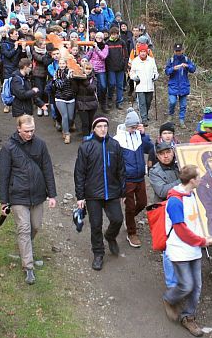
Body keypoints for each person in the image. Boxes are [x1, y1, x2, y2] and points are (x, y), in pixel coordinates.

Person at [0, 115, 57, 284]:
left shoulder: (41, 145)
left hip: (38, 195)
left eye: (32, 131)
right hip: (17, 196)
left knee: (35, 227)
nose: (30, 134)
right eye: (26, 131)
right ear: (19, 129)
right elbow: (4, 175)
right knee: (23, 228)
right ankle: (28, 267)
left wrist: (52, 195)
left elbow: (48, 170)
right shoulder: (8, 148)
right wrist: (4, 201)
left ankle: (26, 248)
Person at [74, 116, 126, 271]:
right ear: (94, 128)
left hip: (112, 192)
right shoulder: (86, 146)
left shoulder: (115, 145)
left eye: (105, 126)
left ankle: (110, 236)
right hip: (92, 194)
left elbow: (121, 170)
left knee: (117, 219)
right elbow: (79, 173)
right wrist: (80, 196)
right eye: (99, 126)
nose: (103, 129)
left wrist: (123, 192)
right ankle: (98, 254)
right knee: (95, 225)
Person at [161, 165, 207, 337]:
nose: (201, 179)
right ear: (192, 180)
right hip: (180, 249)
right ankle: (169, 298)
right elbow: (181, 229)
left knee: (197, 286)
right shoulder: (175, 201)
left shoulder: (191, 194)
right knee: (187, 285)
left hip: (193, 249)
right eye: (199, 177)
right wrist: (201, 240)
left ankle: (188, 317)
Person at [113, 108, 154, 248]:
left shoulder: (139, 135)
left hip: (140, 176)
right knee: (130, 206)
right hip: (127, 179)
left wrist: (143, 135)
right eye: (132, 127)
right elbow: (115, 162)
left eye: (136, 127)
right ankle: (131, 232)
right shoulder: (118, 140)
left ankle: (129, 218)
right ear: (126, 125)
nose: (133, 129)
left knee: (142, 203)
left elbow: (150, 149)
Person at [148, 141, 180, 289]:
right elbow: (162, 191)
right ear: (157, 156)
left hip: (185, 207)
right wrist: (183, 181)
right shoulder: (154, 171)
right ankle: (171, 284)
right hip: (165, 211)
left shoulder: (180, 164)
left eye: (168, 152)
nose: (166, 156)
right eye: (162, 154)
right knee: (168, 247)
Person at [165, 43, 196, 129]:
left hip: (183, 85)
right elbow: (166, 71)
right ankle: (170, 115)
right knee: (172, 102)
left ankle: (181, 120)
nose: (178, 52)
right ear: (174, 51)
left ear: (182, 50)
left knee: (183, 105)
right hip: (173, 85)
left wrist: (187, 66)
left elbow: (193, 69)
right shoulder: (171, 60)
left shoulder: (186, 59)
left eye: (179, 50)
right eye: (176, 51)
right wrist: (173, 69)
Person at [129, 45, 158, 126]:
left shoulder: (151, 60)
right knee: (142, 103)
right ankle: (144, 119)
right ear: (139, 52)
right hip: (140, 85)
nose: (142, 53)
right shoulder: (135, 61)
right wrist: (135, 77)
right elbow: (131, 73)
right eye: (141, 51)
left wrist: (155, 76)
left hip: (150, 85)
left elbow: (155, 71)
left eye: (144, 51)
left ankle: (145, 114)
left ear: (146, 52)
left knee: (148, 102)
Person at [72, 61, 99, 136]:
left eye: (89, 69)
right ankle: (86, 139)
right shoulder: (78, 78)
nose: (88, 70)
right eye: (86, 69)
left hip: (92, 104)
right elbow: (75, 90)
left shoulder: (94, 79)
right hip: (82, 104)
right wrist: (73, 81)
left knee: (90, 122)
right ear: (83, 69)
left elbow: (91, 89)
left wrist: (84, 80)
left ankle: (88, 136)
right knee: (85, 123)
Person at [53, 57, 76, 144]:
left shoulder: (70, 71)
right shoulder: (56, 73)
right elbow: (59, 85)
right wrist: (67, 77)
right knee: (65, 116)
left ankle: (65, 129)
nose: (62, 65)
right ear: (58, 64)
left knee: (70, 117)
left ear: (66, 64)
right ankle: (67, 134)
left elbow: (75, 85)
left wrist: (72, 77)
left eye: (63, 63)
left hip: (70, 97)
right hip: (60, 97)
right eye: (60, 63)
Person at [105, 26, 128, 110]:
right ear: (110, 34)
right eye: (113, 34)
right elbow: (106, 56)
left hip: (120, 68)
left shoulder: (122, 42)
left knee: (120, 85)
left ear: (118, 34)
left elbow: (126, 55)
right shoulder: (107, 43)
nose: (114, 36)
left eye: (116, 34)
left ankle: (119, 101)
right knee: (111, 84)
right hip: (111, 68)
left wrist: (125, 66)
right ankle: (110, 97)